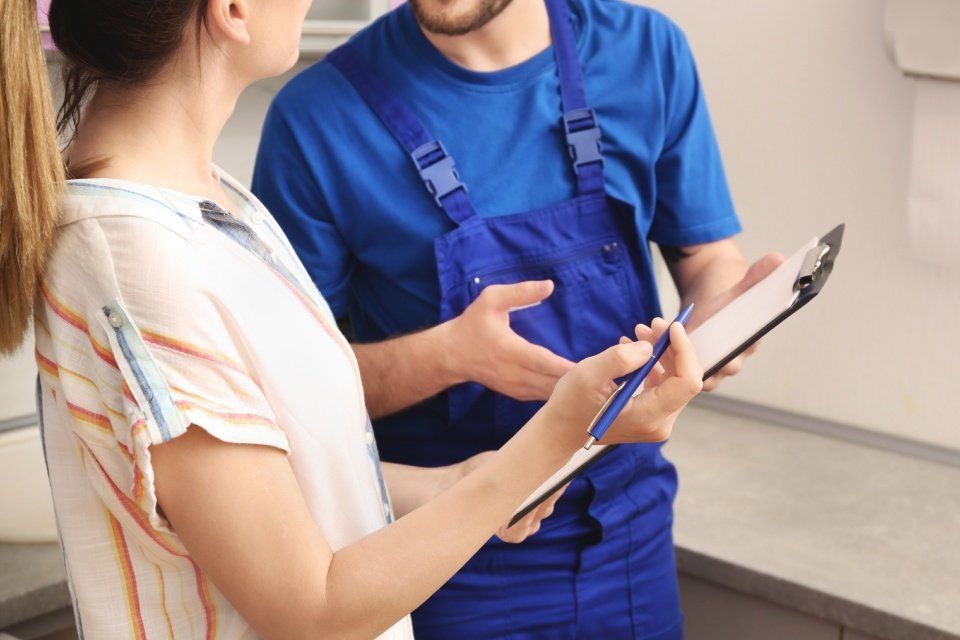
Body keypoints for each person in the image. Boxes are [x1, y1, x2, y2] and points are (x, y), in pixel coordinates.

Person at [0, 0, 706, 638]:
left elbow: (279, 480)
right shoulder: (135, 261)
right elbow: (312, 609)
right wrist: (560, 431)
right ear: (234, 12)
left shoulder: (218, 209)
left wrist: (449, 487)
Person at [252, 0, 785, 638]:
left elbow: (706, 256)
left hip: (631, 530)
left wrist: (719, 321)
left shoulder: (647, 51)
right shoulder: (317, 119)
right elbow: (288, 402)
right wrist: (447, 355)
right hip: (449, 555)